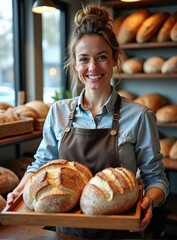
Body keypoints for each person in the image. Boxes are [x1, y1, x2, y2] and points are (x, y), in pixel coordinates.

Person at [7, 4, 169, 239]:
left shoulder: (140, 116)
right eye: (84, 59)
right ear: (75, 64)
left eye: (102, 57)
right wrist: (19, 191)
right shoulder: (58, 112)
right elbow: (42, 164)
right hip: (66, 232)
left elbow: (157, 178)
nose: (93, 67)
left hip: (119, 232)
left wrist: (148, 202)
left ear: (114, 59)